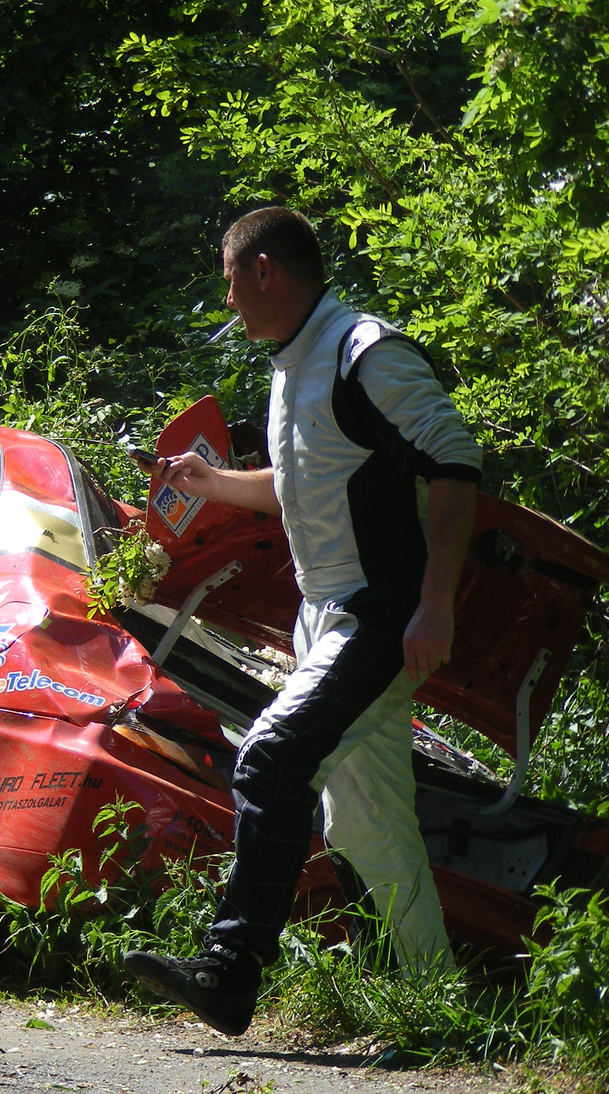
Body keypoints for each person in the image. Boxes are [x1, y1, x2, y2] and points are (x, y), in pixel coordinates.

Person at [123, 207, 482, 1036]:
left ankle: (229, 969)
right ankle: (439, 1006)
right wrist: (211, 482)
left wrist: (435, 602)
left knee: (272, 761)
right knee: (361, 818)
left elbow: (456, 460)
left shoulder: (365, 351)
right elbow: (296, 484)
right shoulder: (293, 365)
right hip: (326, 617)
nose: (229, 308)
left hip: (378, 613)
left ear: (264, 272)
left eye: (229, 287)